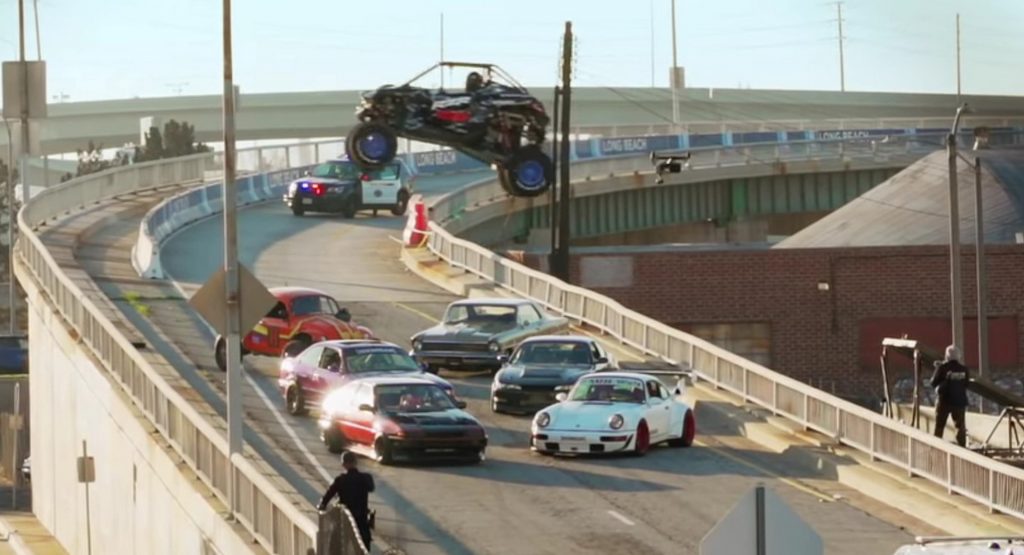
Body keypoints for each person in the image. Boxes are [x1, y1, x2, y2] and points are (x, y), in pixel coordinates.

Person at [318, 451, 376, 551]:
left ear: (344, 464)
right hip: (361, 519)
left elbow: (328, 495)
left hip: (344, 519)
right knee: (364, 545)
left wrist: (322, 505)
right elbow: (371, 488)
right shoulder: (366, 478)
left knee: (334, 544)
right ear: (355, 462)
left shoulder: (340, 480)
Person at [930, 345, 970, 447]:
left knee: (939, 426)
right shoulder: (964, 369)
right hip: (959, 402)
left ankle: (936, 447)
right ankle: (962, 448)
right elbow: (966, 384)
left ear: (947, 356)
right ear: (958, 356)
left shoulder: (942, 368)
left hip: (944, 402)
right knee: (960, 427)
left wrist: (939, 370)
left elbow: (933, 383)